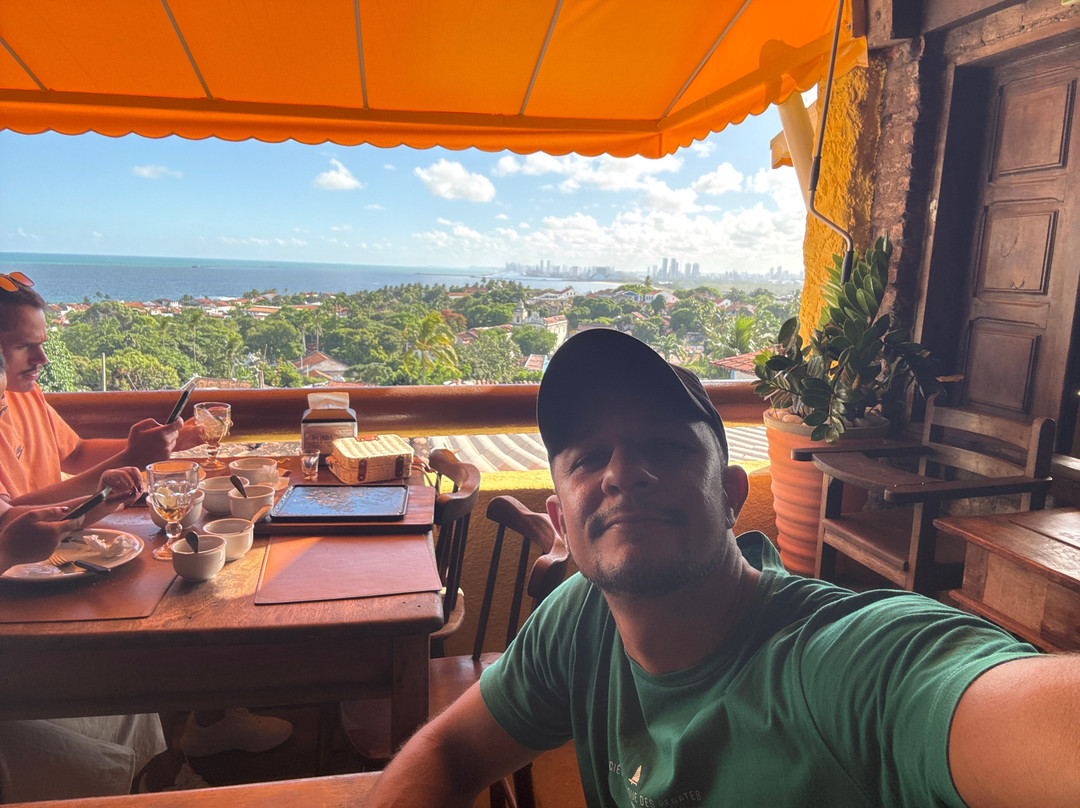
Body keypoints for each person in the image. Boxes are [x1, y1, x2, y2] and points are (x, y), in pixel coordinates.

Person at [368, 328, 1080, 808]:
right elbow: (450, 751)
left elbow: (986, 704)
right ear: (561, 521)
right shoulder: (579, 618)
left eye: (666, 447)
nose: (622, 472)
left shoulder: (842, 665)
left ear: (732, 495)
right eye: (588, 458)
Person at [0, 278, 292, 764]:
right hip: (23, 577)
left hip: (64, 551)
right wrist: (126, 462)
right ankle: (177, 744)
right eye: (22, 347)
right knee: (183, 592)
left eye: (42, 344)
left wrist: (166, 445)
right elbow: (14, 518)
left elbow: (75, 452)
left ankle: (202, 723)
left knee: (195, 586)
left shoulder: (23, 395)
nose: (42, 359)